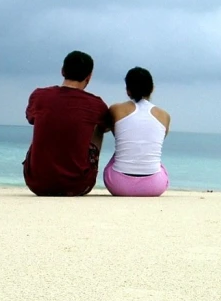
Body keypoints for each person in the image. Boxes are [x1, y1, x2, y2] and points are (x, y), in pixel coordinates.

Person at [23, 51, 112, 196]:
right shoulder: (96, 104)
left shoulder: (39, 95)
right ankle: (79, 169)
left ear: (62, 71)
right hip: (77, 185)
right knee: (98, 127)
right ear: (89, 77)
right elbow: (107, 127)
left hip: (36, 183)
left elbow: (30, 118)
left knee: (43, 120)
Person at [103, 67, 171, 197]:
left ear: (128, 90)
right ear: (152, 89)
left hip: (118, 185)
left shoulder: (116, 109)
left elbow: (111, 131)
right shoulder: (164, 116)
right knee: (154, 157)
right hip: (155, 186)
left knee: (119, 152)